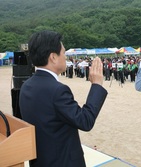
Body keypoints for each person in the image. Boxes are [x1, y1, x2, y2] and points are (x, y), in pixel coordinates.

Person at [19, 30, 108, 167]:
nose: (65, 57)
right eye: (64, 53)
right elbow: (85, 121)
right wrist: (96, 85)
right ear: (53, 57)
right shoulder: (57, 90)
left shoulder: (26, 86)